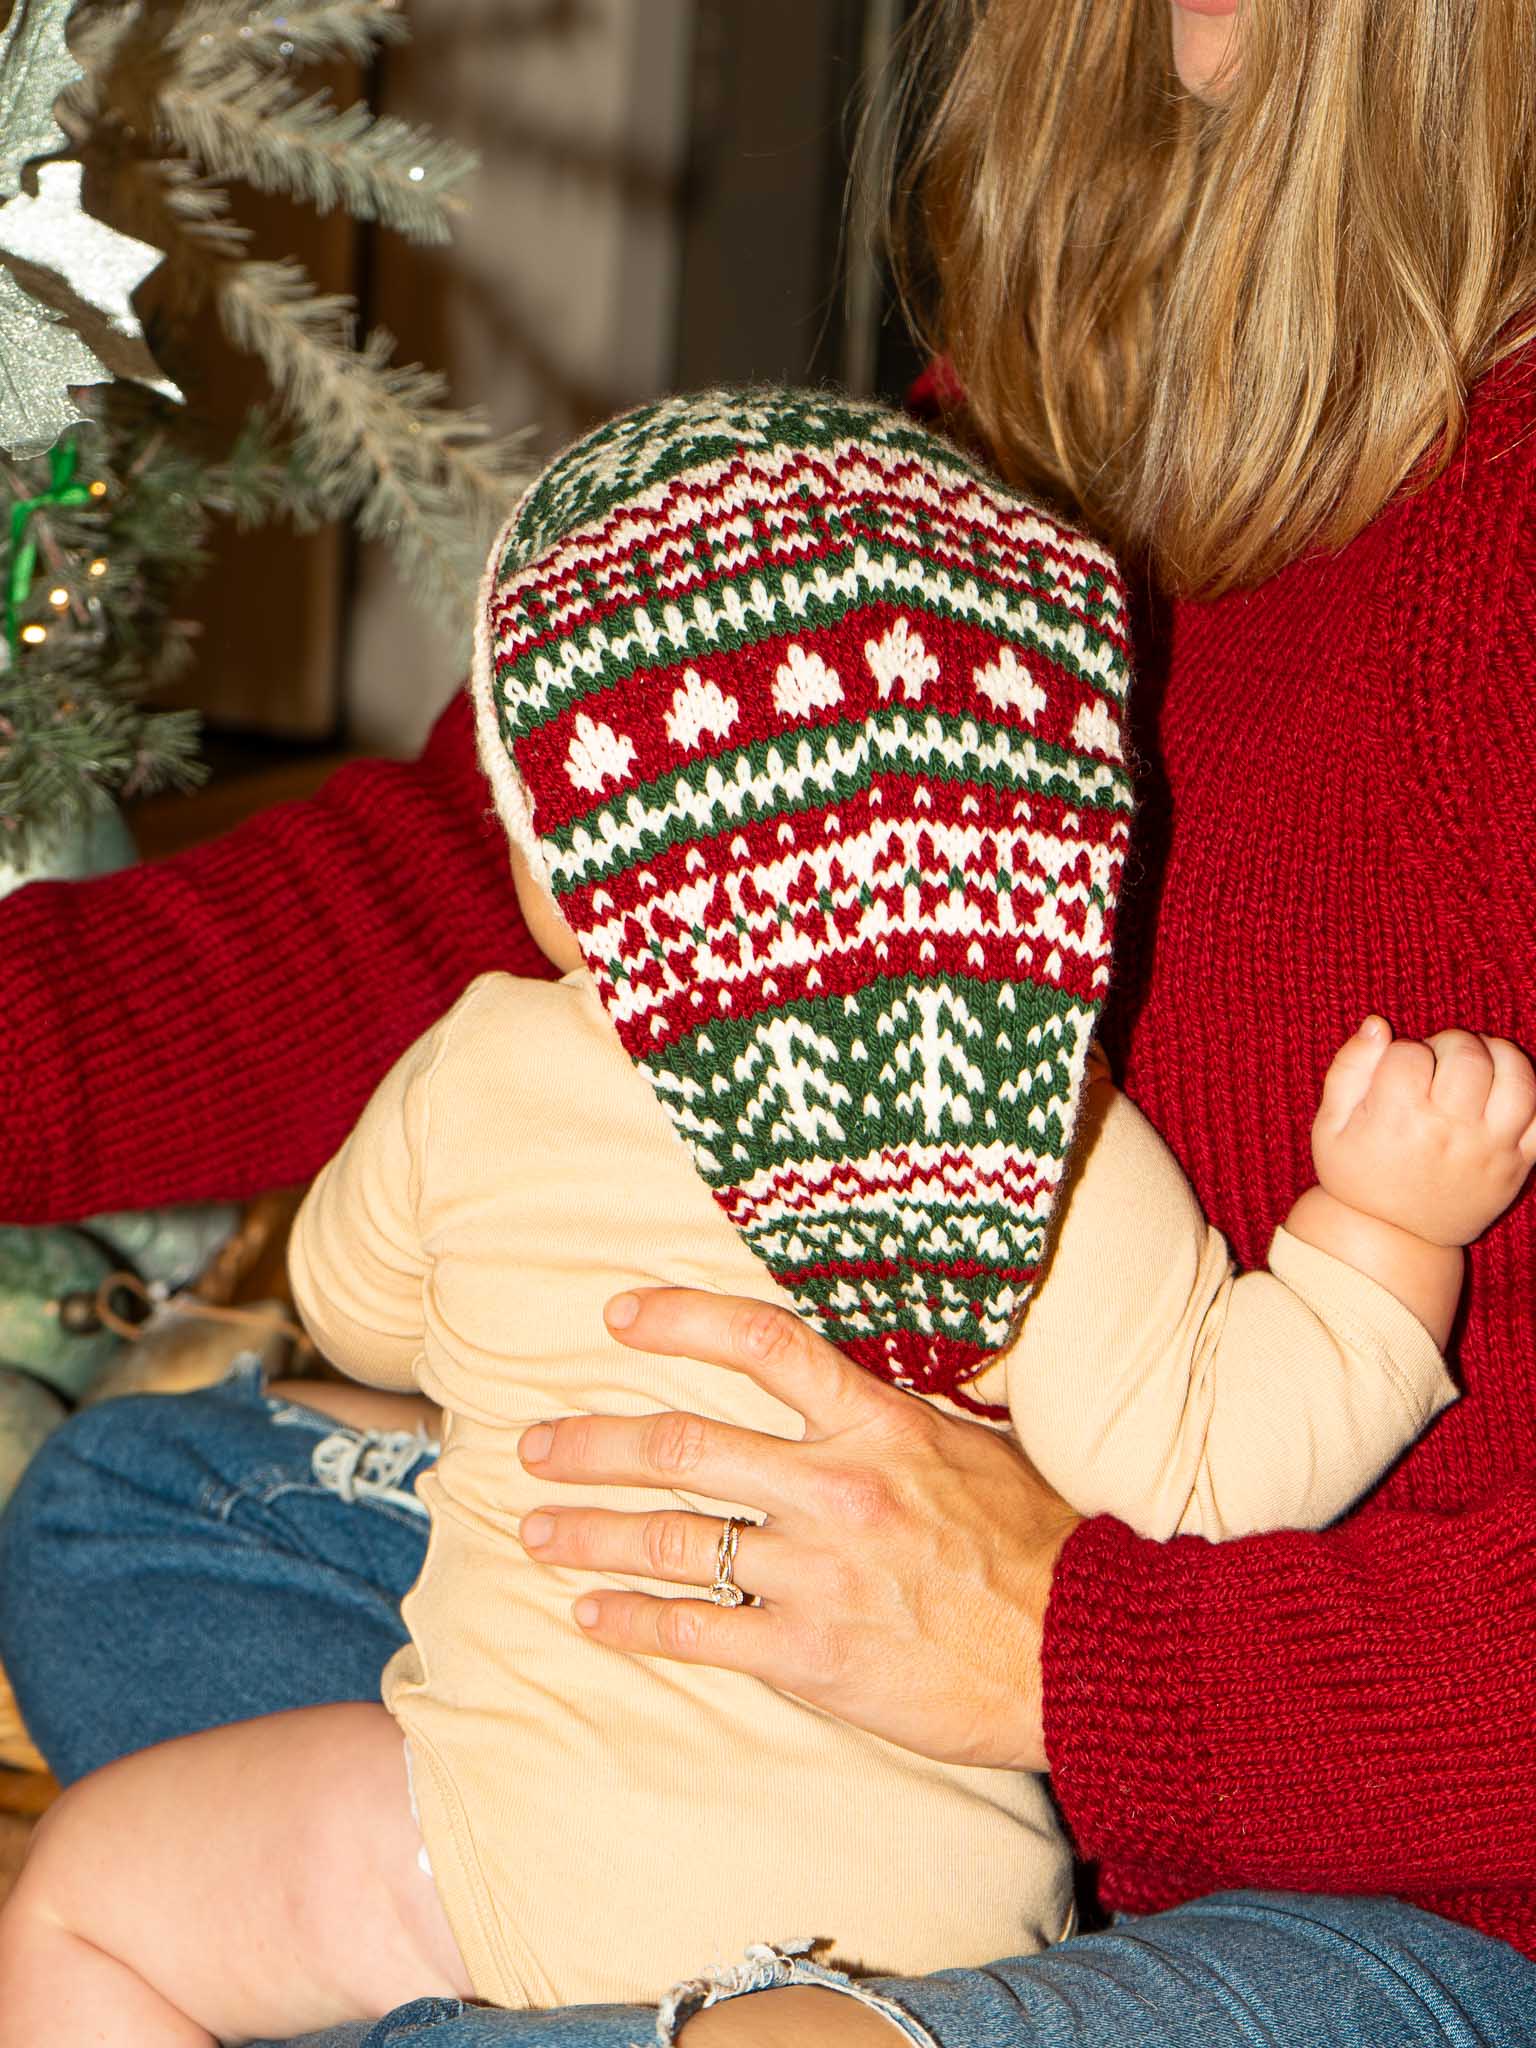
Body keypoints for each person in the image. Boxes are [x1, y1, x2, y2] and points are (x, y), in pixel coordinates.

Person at [3, 0, 1536, 2042]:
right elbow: (502, 885)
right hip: (926, 1695)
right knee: (134, 1512)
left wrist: (1057, 1650)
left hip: (1409, 1872)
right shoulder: (1061, 394)